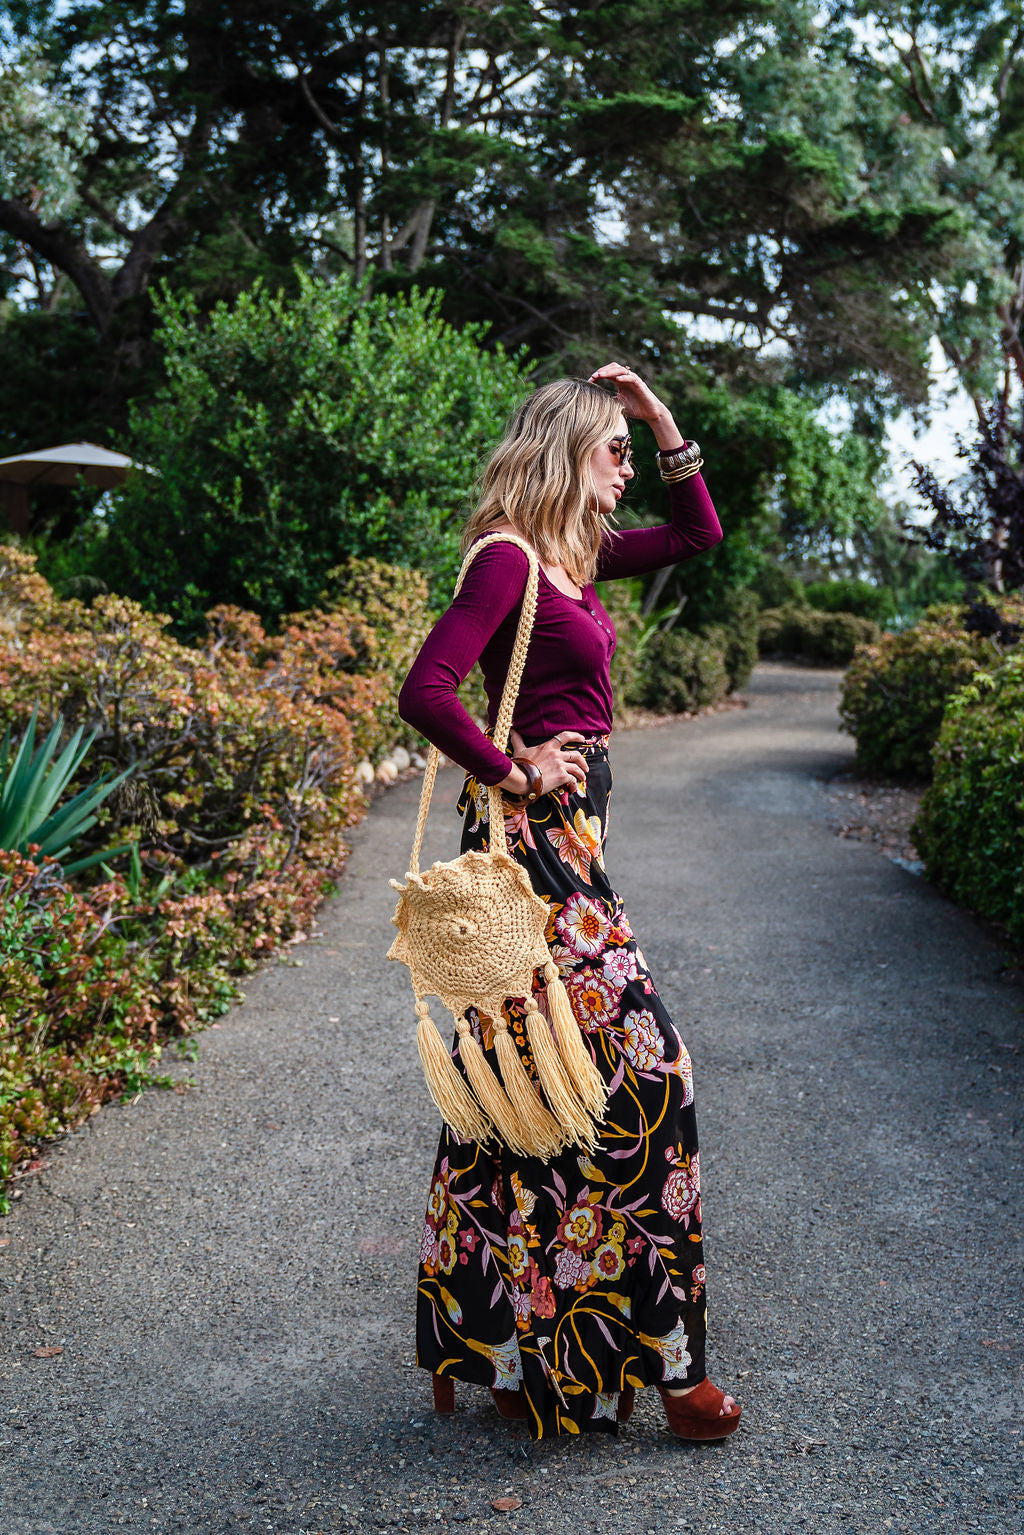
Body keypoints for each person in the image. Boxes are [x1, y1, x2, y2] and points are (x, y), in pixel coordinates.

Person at [397, 363, 741, 1441]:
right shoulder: (506, 559)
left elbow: (698, 535)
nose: (629, 468)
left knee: (529, 1092)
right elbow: (426, 686)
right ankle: (676, 1371)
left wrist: (658, 414)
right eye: (614, 450)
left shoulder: (573, 562)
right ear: (565, 452)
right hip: (536, 858)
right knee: (653, 1074)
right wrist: (511, 767)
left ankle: (498, 1343)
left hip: (574, 850)